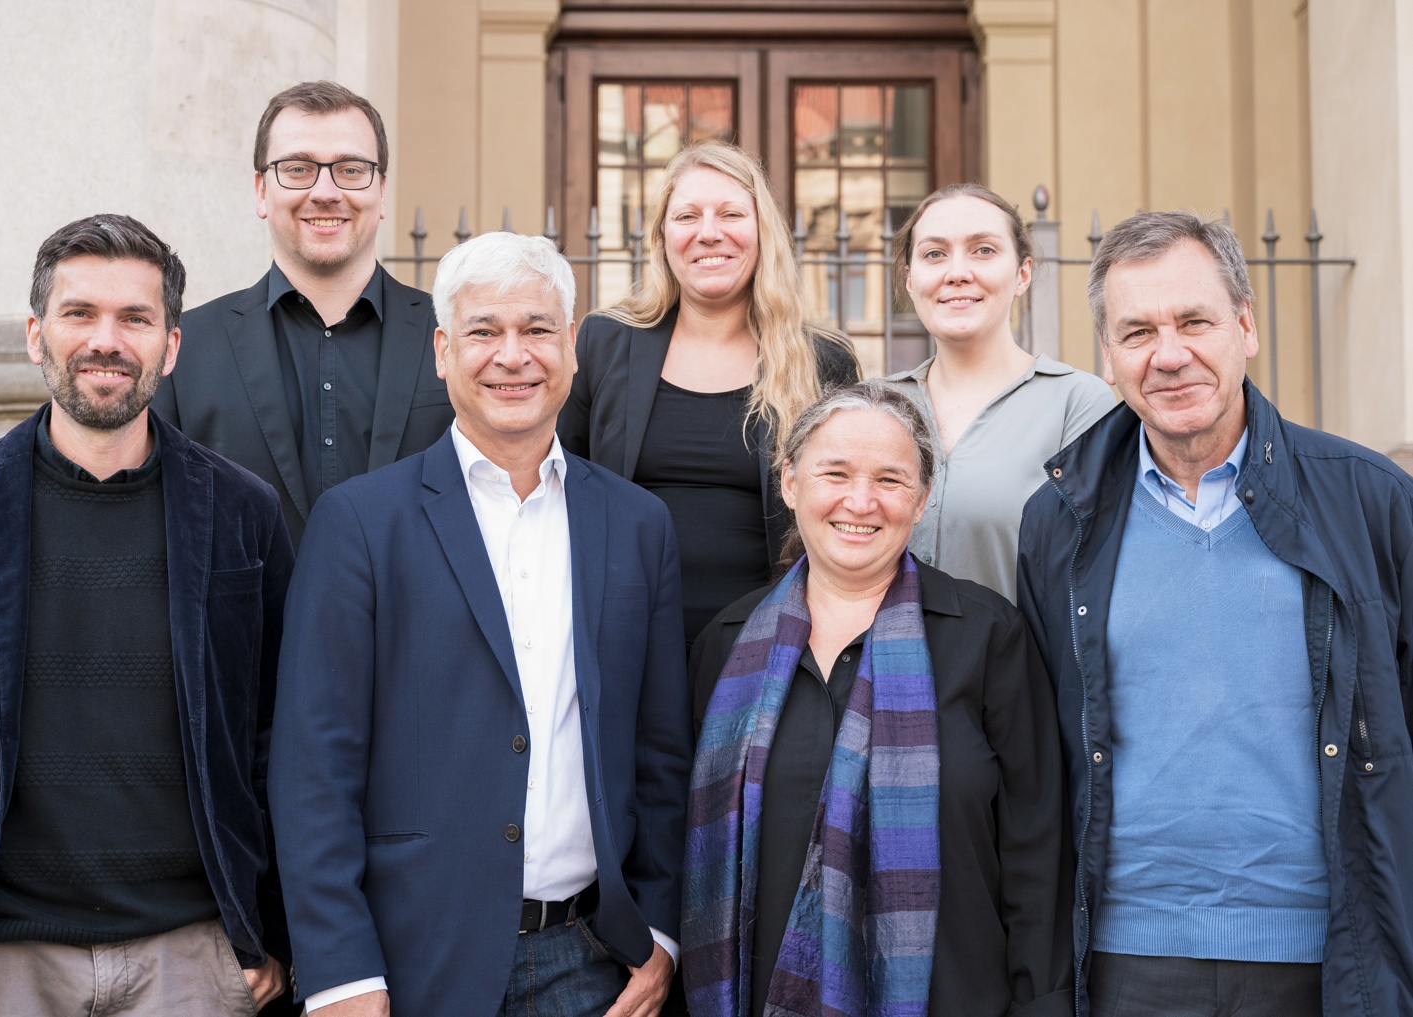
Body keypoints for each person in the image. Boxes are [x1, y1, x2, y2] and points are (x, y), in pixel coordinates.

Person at [270, 231, 692, 1017]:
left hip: (593, 963)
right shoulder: (361, 523)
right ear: (441, 351)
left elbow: (660, 752)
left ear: (571, 346)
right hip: (409, 963)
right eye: (483, 331)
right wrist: (339, 971)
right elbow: (312, 768)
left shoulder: (637, 525)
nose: (513, 355)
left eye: (536, 329)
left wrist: (660, 934)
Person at [0, 215, 293, 1015]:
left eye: (135, 318)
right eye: (80, 314)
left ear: (170, 345)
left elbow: (279, 735)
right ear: (37, 335)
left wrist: (268, 937)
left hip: (190, 956)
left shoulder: (243, 511)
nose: (106, 340)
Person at [1017, 211, 1413, 1017]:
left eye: (1193, 320)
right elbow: (1039, 754)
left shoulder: (1368, 500)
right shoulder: (1057, 519)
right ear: (1108, 356)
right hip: (1128, 956)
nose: (1168, 354)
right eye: (1136, 331)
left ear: (1244, 327)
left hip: (1327, 955)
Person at [684, 380, 1072, 1017]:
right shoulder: (724, 647)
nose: (860, 502)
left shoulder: (988, 638)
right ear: (790, 483)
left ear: (920, 501)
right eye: (835, 472)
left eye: (890, 480)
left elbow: (1038, 851)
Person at [559, 140, 860, 646]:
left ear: (762, 230)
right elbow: (559, 481)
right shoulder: (604, 342)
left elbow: (846, 506)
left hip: (769, 643)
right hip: (621, 635)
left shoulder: (822, 360)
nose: (708, 233)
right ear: (662, 236)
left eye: (730, 213)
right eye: (687, 216)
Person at [153, 80, 453, 546]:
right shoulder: (183, 348)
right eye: (298, 168)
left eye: (351, 169)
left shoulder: (452, 335)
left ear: (382, 192)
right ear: (260, 191)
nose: (327, 191)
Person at [886, 183, 1114, 601]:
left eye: (983, 250)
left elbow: (1095, 575)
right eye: (935, 254)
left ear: (1022, 274)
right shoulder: (877, 404)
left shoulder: (1077, 405)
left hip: (1014, 663)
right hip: (880, 665)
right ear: (910, 279)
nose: (957, 272)